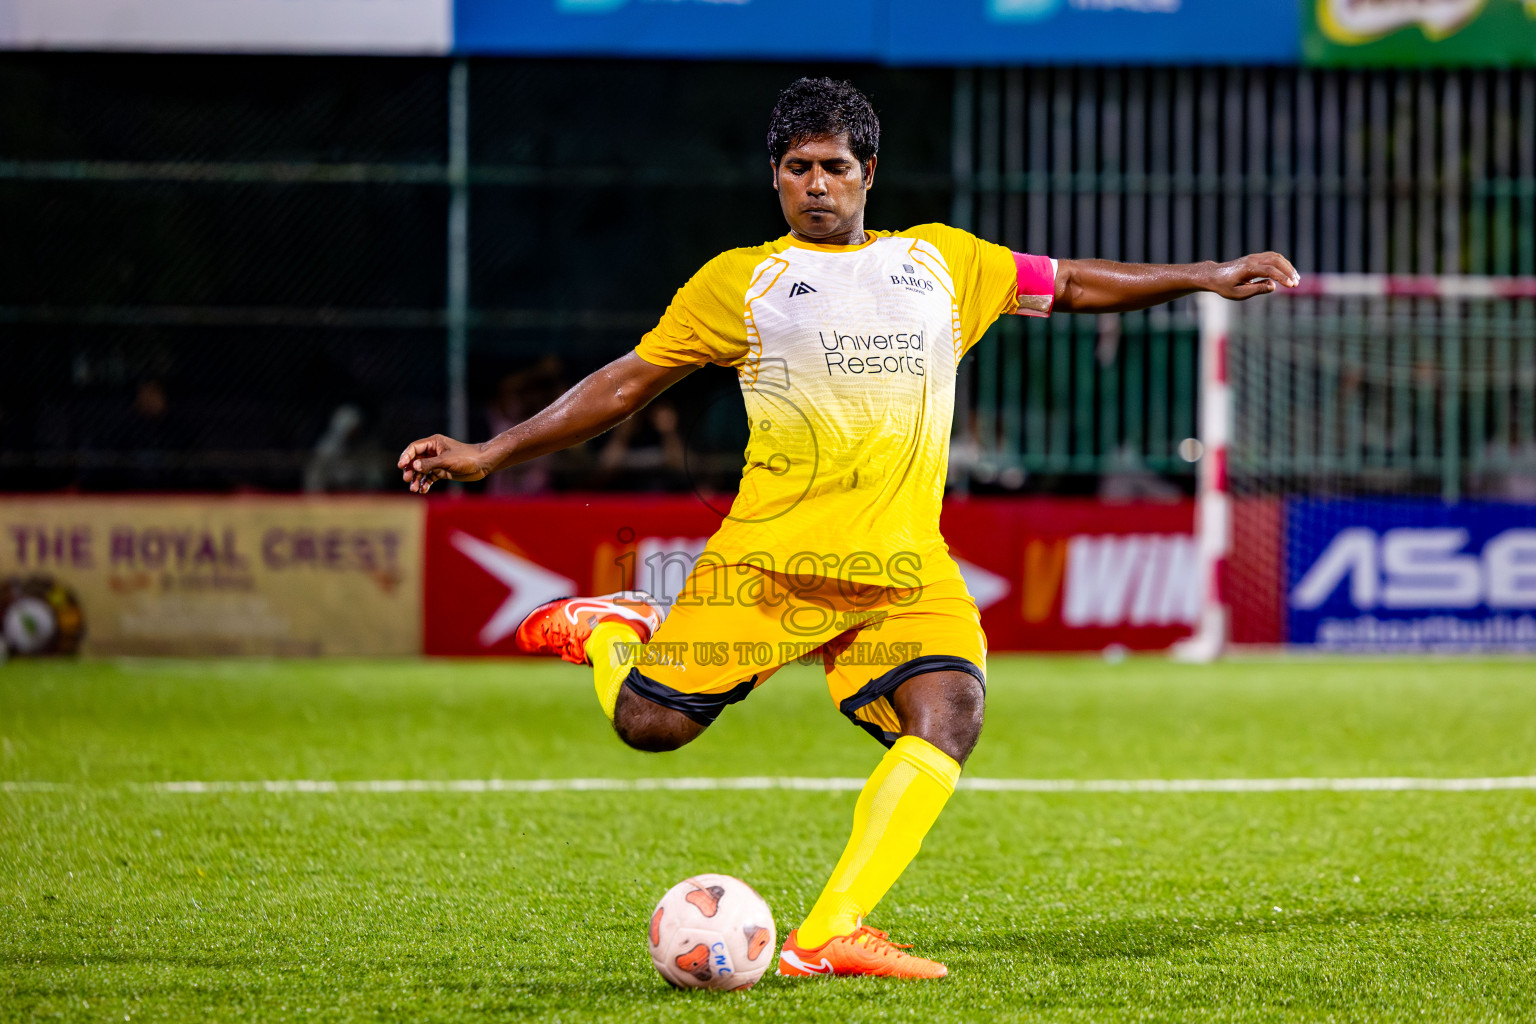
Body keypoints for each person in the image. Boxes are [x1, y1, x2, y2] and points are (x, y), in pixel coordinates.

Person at [399, 77, 1299, 980]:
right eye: (798, 169)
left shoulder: (944, 264)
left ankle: (831, 931)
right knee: (648, 727)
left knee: (950, 713)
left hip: (904, 569)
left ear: (869, 172)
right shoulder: (739, 283)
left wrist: (1204, 278)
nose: (817, 185)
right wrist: (490, 453)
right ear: (777, 178)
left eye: (835, 166)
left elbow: (1069, 284)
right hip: (770, 565)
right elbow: (626, 383)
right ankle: (613, 635)